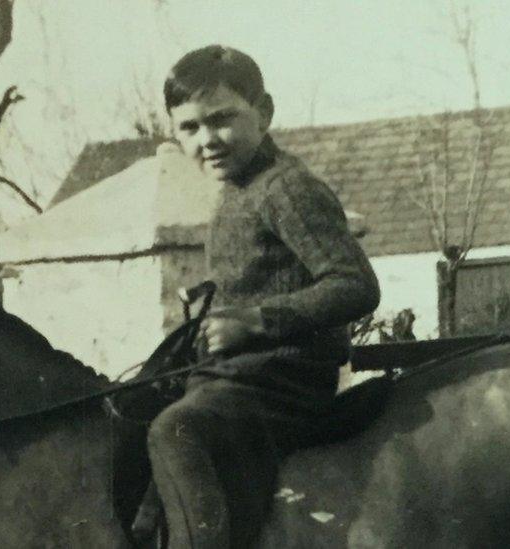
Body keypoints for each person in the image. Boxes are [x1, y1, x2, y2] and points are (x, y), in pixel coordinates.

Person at [145, 44, 380, 548]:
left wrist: (257, 320)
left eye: (222, 119)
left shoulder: (285, 188)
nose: (207, 140)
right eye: (189, 127)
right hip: (243, 372)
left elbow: (355, 284)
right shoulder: (237, 185)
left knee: (176, 432)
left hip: (285, 378)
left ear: (265, 113)